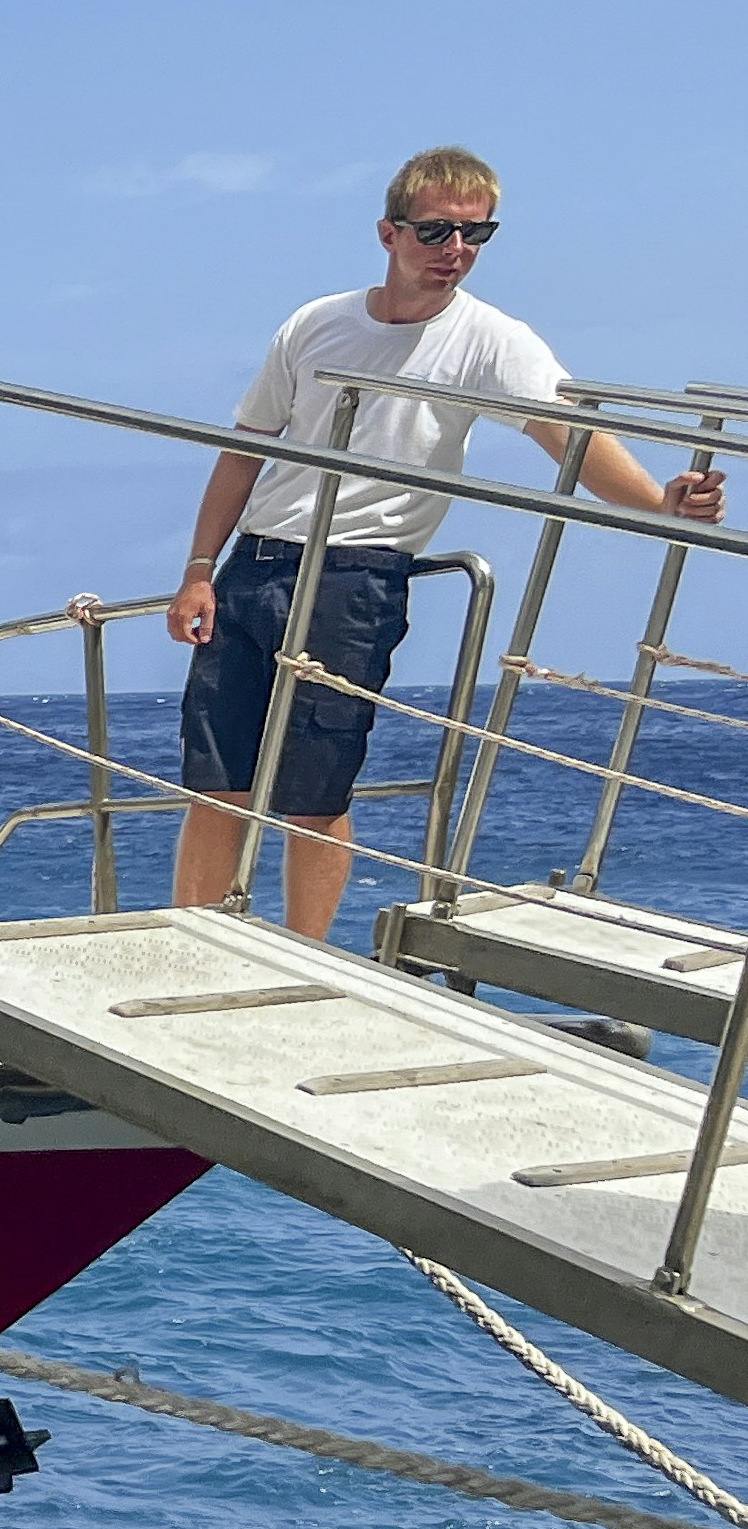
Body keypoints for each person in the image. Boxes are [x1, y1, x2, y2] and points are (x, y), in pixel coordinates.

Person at [167, 145, 721, 940]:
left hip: (357, 577)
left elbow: (564, 434)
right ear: (389, 233)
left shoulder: (493, 340)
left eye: (475, 235)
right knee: (216, 782)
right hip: (255, 562)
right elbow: (244, 450)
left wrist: (660, 502)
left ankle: (303, 958)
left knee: (316, 793)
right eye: (435, 233)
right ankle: (192, 943)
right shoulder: (315, 324)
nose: (455, 252)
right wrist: (197, 571)